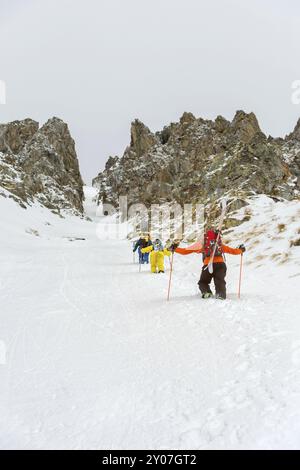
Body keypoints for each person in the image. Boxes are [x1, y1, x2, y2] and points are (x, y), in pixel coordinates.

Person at [170, 230, 245, 299]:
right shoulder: (219, 246)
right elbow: (233, 251)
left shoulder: (202, 246)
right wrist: (241, 250)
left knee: (203, 282)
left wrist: (175, 248)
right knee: (220, 281)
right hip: (220, 265)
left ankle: (206, 292)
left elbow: (185, 251)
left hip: (207, 266)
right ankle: (220, 295)